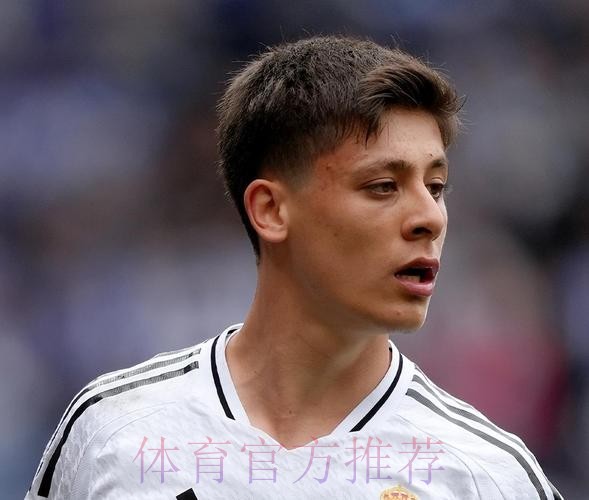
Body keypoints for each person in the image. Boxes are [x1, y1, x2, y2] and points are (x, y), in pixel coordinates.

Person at [25, 35, 562, 499]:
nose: (430, 217)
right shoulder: (113, 433)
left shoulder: (487, 475)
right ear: (271, 209)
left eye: (436, 186)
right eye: (383, 186)